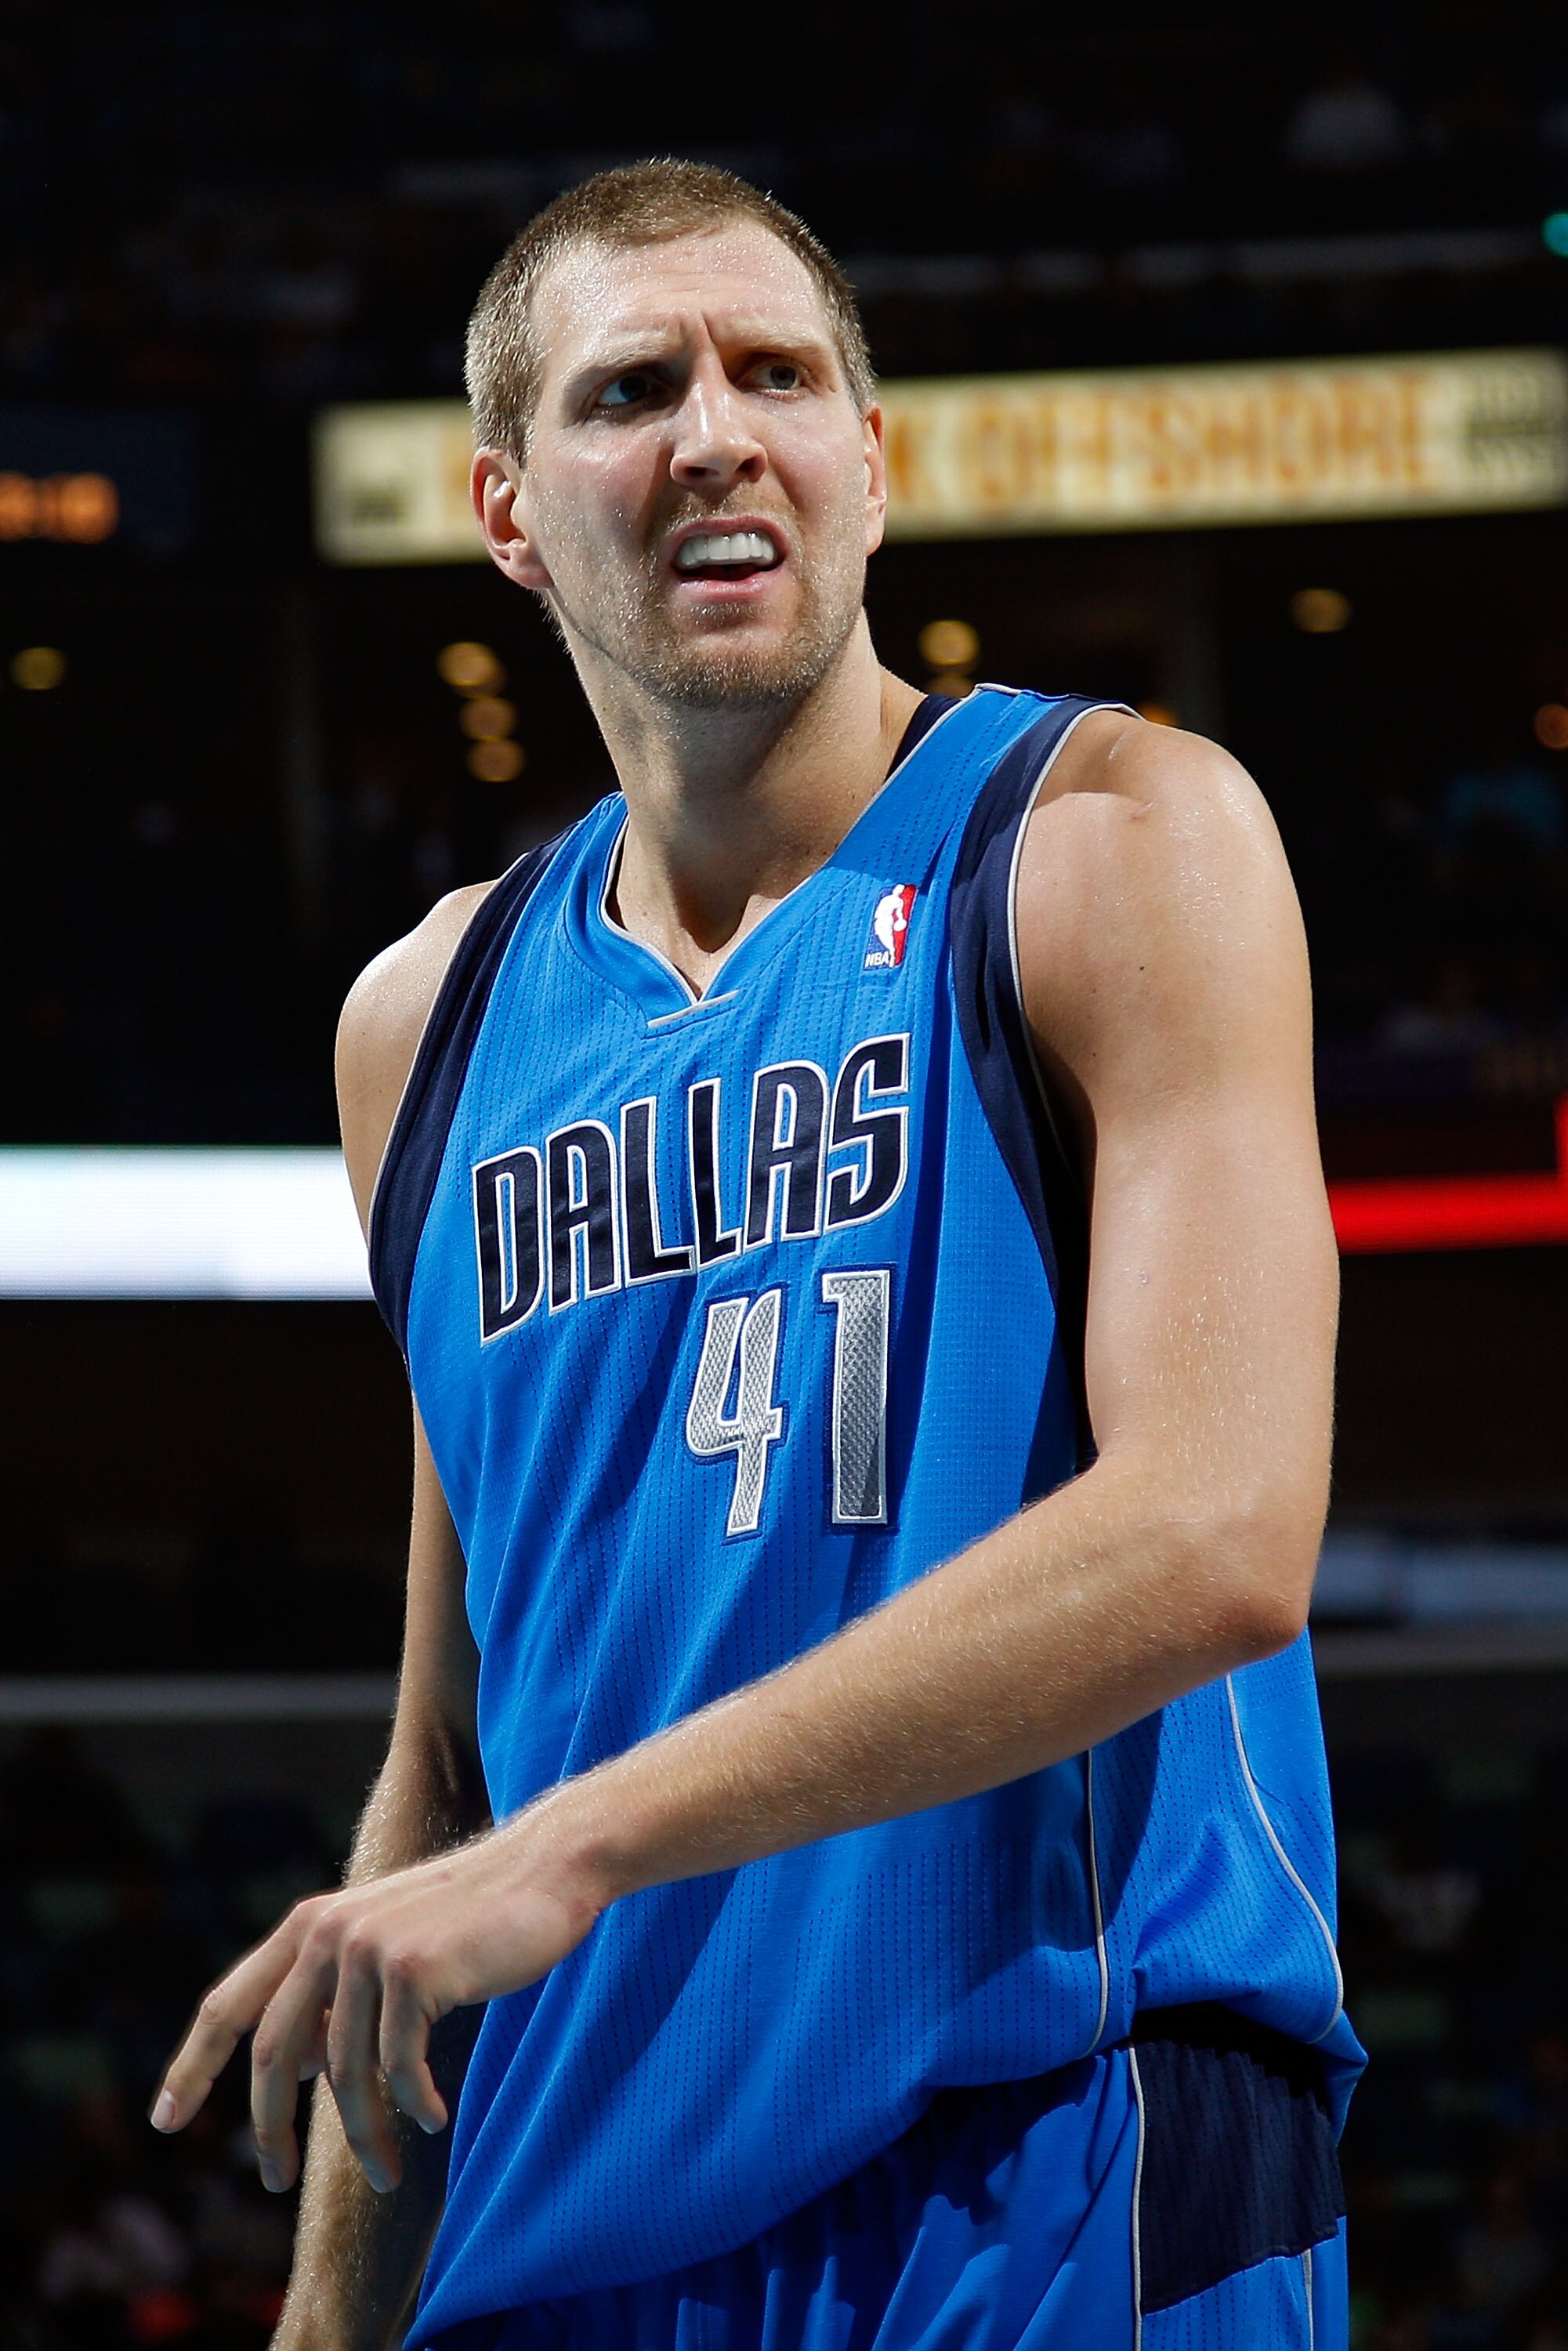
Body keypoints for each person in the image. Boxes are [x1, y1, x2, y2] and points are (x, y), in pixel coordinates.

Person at [153, 160, 1363, 2350]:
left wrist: (579, 1848)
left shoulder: (1105, 840)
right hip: (563, 2245)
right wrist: (331, 2322)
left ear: (869, 466)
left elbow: (1214, 1529)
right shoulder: (421, 1028)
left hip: (1044, 2169)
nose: (716, 429)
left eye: (776, 372)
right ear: (510, 513)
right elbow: (449, 1771)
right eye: (632, 387)